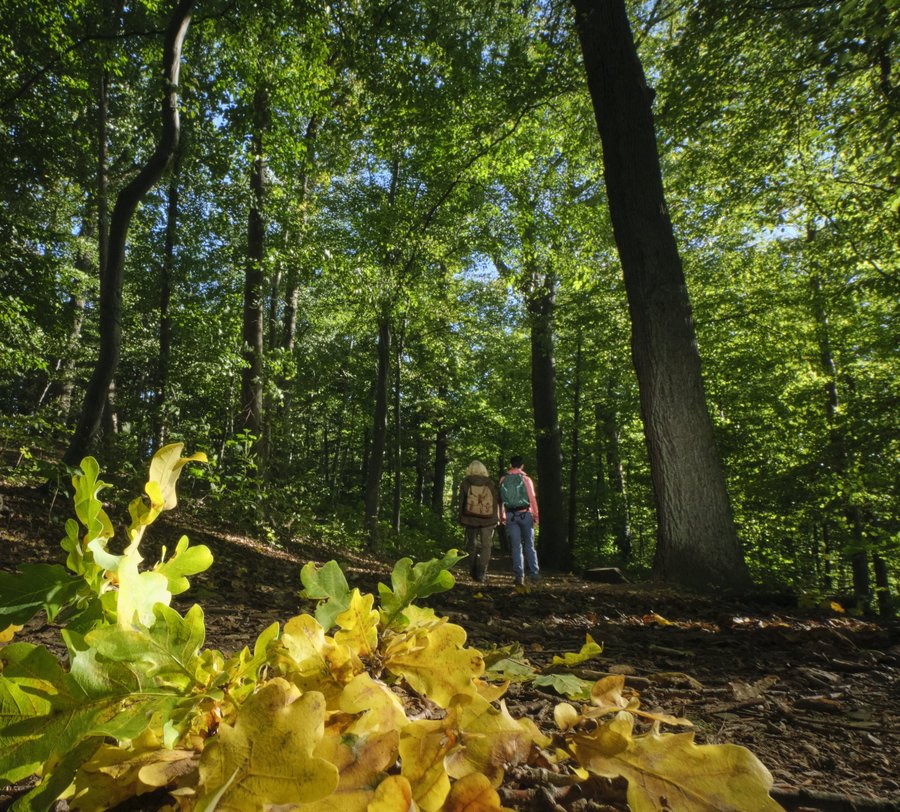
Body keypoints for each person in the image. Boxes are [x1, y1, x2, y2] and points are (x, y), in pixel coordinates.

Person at [499, 455, 539, 588]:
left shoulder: (503, 479)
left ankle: (519, 576)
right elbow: (532, 498)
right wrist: (536, 515)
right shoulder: (526, 479)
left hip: (510, 515)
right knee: (529, 545)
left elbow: (501, 500)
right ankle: (534, 575)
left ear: (511, 465)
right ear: (522, 466)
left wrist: (502, 516)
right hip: (525, 515)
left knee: (516, 547)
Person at [458, 460, 499, 583]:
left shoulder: (465, 483)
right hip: (488, 519)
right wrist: (495, 518)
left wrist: (460, 518)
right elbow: (495, 502)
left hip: (470, 519)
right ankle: (481, 573)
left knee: (472, 545)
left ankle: (472, 571)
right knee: (486, 546)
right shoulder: (490, 483)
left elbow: (461, 502)